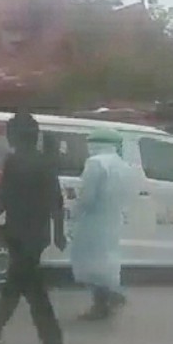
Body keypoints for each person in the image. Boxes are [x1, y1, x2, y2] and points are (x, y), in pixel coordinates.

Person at [0, 112, 67, 344]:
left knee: (34, 292)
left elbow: (3, 197)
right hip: (37, 236)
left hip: (18, 234)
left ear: (15, 136)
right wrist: (59, 233)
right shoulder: (46, 162)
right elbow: (56, 201)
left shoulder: (15, 162)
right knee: (15, 285)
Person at [69, 128, 131, 321]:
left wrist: (74, 214)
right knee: (107, 261)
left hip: (93, 221)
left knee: (89, 263)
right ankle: (109, 297)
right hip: (112, 220)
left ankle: (103, 303)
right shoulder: (123, 165)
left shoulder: (96, 163)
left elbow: (87, 197)